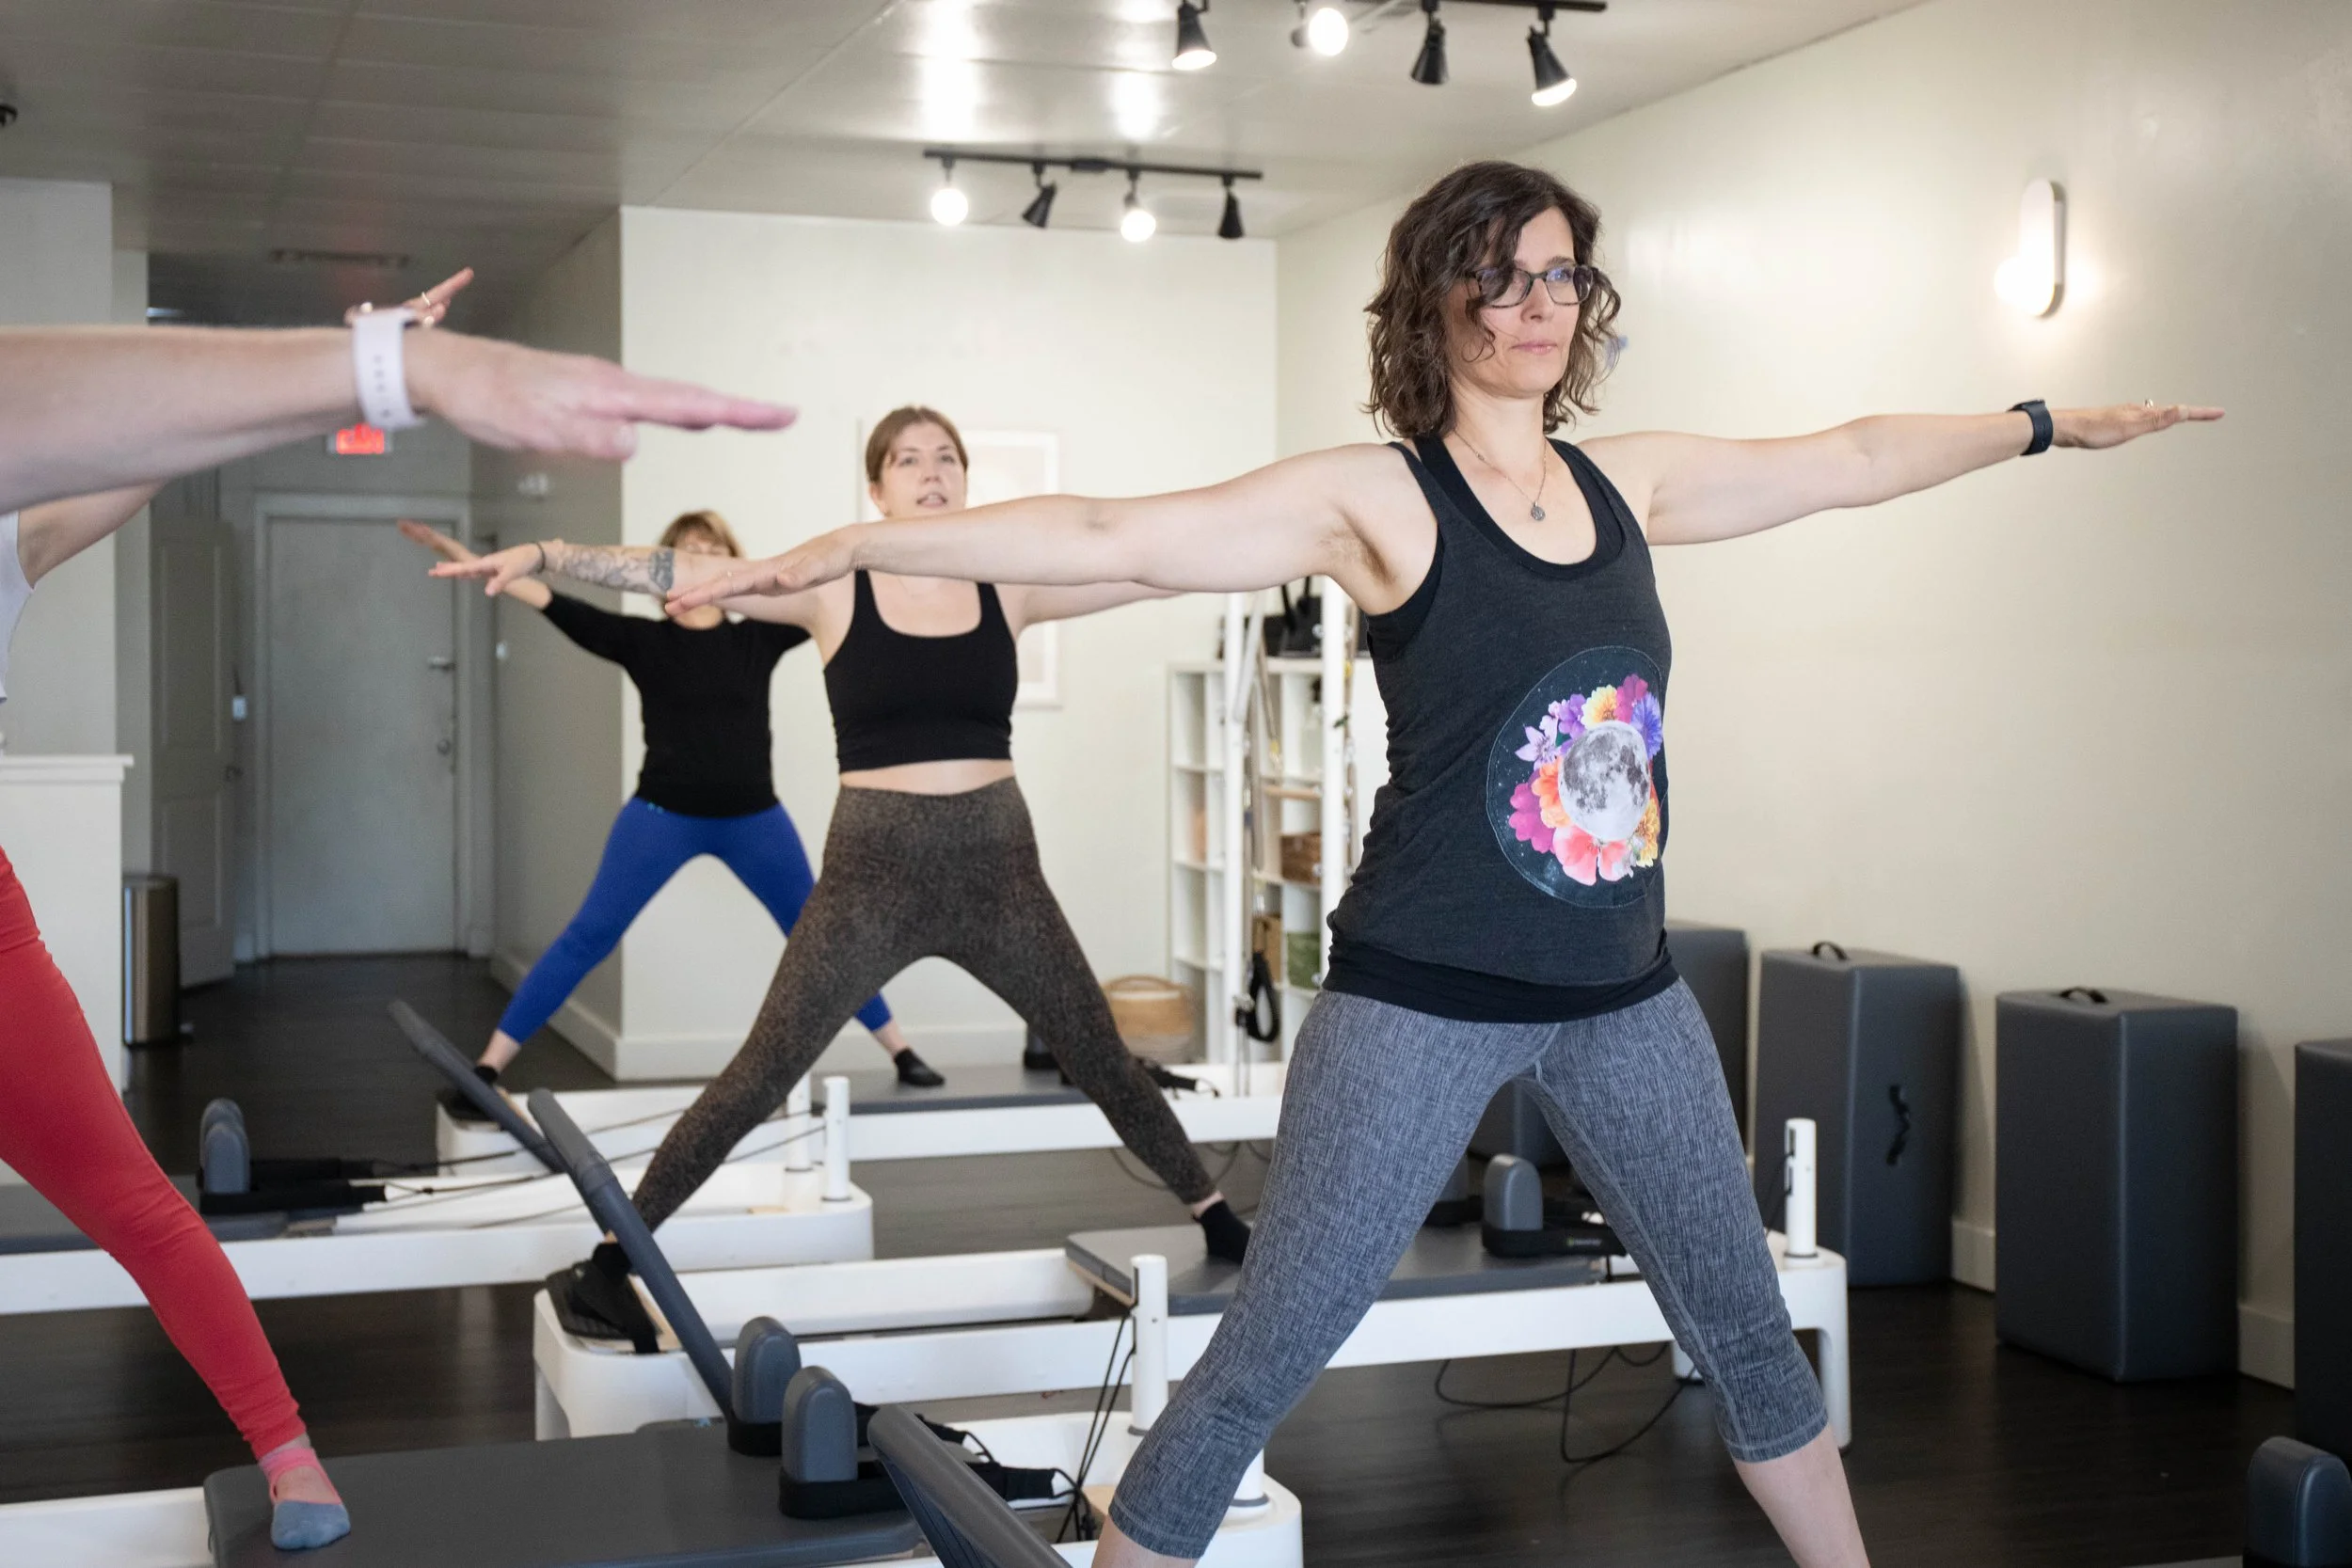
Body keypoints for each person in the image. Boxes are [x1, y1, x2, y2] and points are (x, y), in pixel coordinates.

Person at [661, 162, 2222, 1568]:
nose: (1537, 304)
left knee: (1748, 1330)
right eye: (1502, 273)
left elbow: (1851, 455)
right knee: (1274, 1344)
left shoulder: (1633, 483)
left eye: (1560, 275)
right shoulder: (1377, 499)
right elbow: (1112, 531)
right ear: (1437, 301)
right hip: (1422, 995)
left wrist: (2038, 422)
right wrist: (858, 549)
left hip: (1627, 996)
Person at [0, 271, 791, 1550]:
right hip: (669, 808)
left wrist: (356, 368)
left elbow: (125, 434)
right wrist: (381, 376)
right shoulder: (652, 638)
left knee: (137, 1201)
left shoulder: (8, 535)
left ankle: (290, 1449)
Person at [440, 405, 1254, 1344]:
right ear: (878, 487)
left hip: (1000, 867)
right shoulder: (832, 586)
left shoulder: (1009, 585)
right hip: (873, 869)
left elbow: (1142, 565)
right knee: (760, 1069)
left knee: (1099, 1052)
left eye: (946, 456)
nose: (931, 470)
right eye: (908, 459)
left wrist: (1286, 547)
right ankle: (610, 1264)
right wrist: (543, 554)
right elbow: (680, 573)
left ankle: (1216, 1215)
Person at [399, 509, 940, 1091]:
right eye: (686, 550)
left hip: (754, 821)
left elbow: (831, 586)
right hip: (660, 819)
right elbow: (551, 601)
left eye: (712, 549)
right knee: (588, 935)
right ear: (661, 573)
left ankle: (902, 1050)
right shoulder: (643, 641)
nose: (700, 557)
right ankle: (488, 1066)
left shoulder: (759, 635)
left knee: (820, 934)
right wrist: (462, 551)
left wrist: (905, 540)